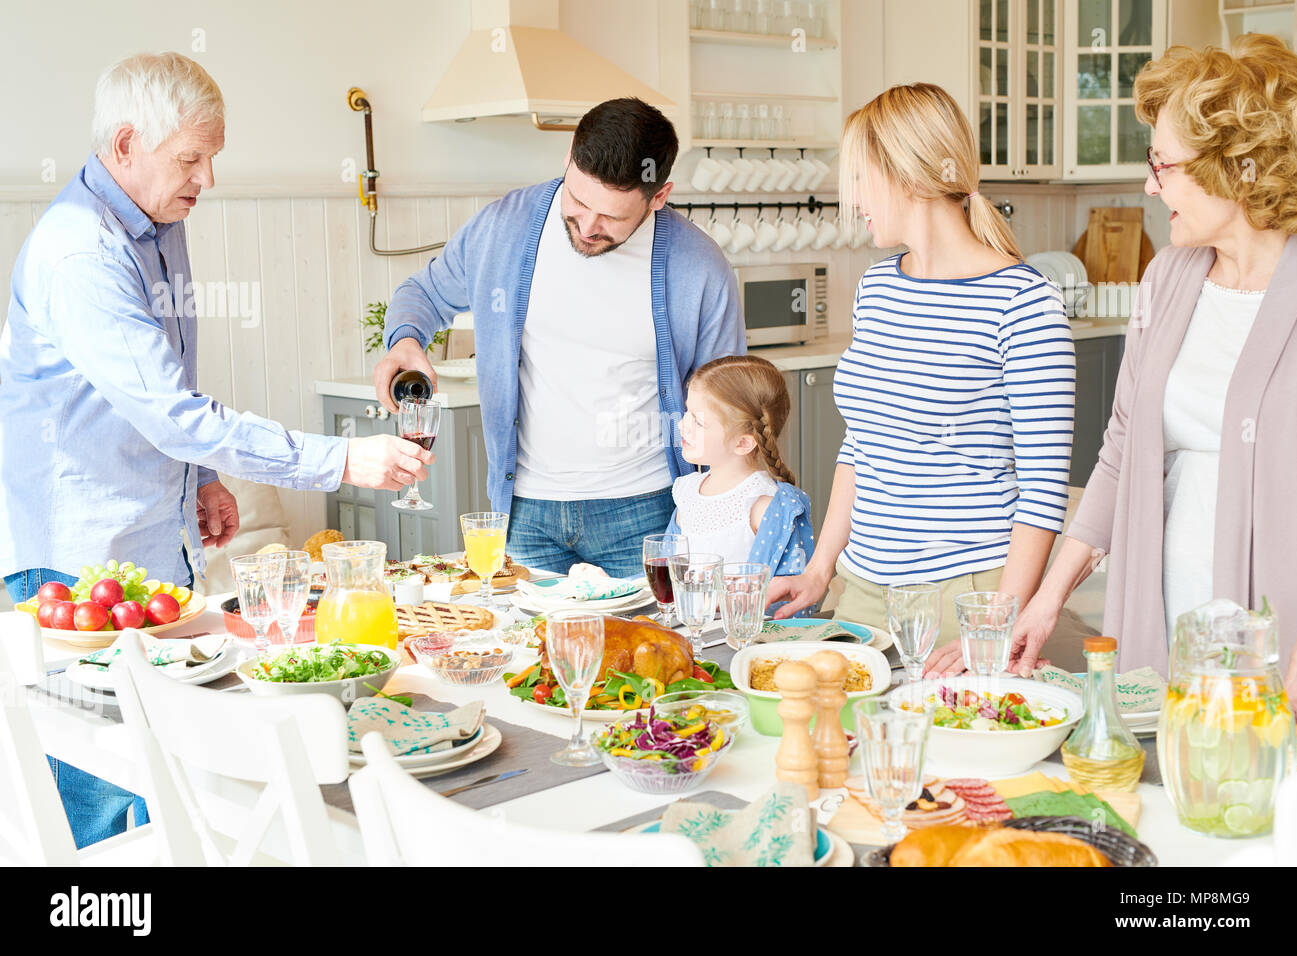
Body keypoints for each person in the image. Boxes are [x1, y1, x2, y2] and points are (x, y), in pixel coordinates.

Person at [0, 52, 429, 847]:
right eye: (190, 158)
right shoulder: (82, 252)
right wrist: (339, 461)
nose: (206, 177)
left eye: (212, 158)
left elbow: (162, 378)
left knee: (166, 783)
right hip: (76, 559)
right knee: (102, 804)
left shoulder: (158, 224)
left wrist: (202, 479)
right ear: (126, 143)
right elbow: (172, 411)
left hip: (146, 544)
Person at [981, 35, 1297, 697]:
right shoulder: (1167, 278)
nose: (1150, 187)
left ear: (1239, 168)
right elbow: (1121, 451)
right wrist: (1045, 600)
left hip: (1278, 644)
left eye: (1165, 165)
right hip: (1162, 617)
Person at [372, 98, 744, 579]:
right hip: (527, 512)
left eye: (611, 216)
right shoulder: (504, 227)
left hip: (647, 512)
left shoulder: (699, 266)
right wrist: (405, 340)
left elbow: (733, 401)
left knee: (645, 652)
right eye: (579, 201)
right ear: (569, 157)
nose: (588, 227)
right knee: (532, 653)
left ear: (659, 196)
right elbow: (422, 292)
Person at [768, 83, 1076, 655]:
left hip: (965, 599)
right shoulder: (877, 287)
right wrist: (820, 569)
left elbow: (1042, 490)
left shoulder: (1023, 303)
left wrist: (995, 623)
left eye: (861, 178)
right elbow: (860, 446)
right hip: (862, 589)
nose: (855, 199)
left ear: (907, 176)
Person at [665, 355, 814, 577]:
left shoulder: (763, 506)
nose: (681, 425)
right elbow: (667, 574)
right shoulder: (686, 494)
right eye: (687, 412)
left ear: (743, 443)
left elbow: (781, 595)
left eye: (698, 421)